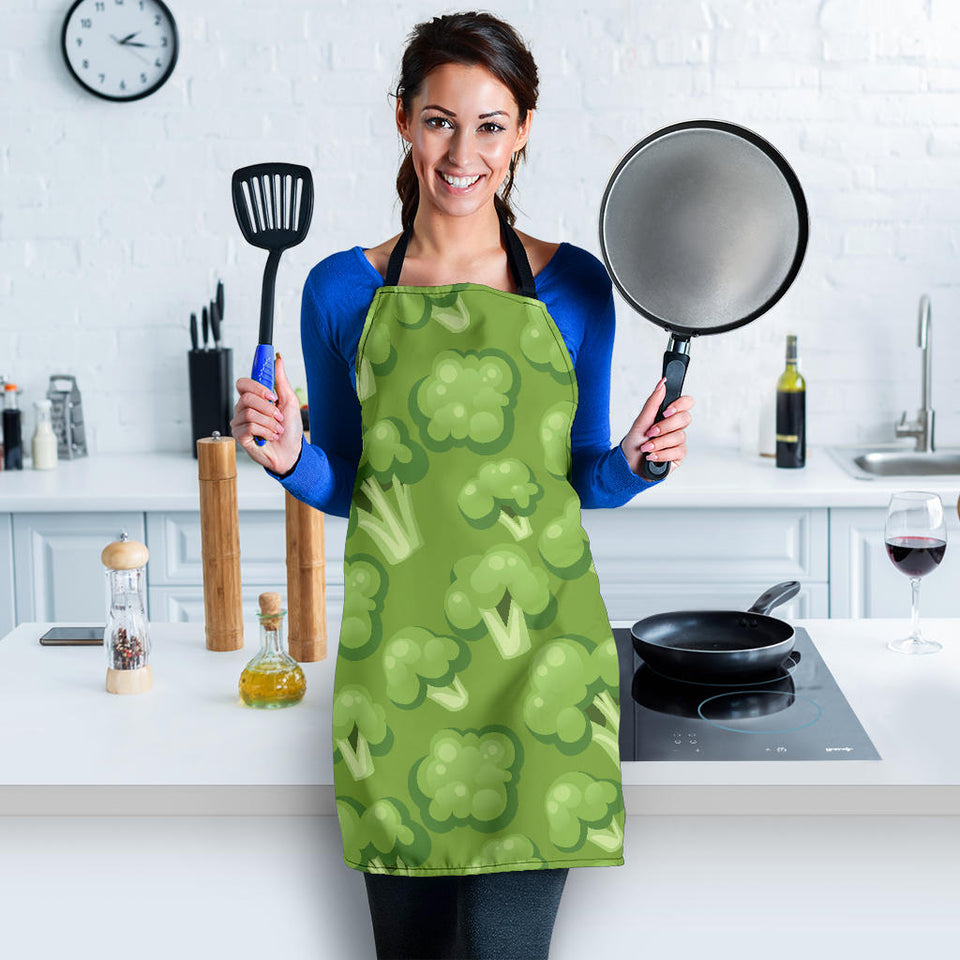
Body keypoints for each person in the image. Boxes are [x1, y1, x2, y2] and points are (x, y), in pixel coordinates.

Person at [232, 12, 693, 959]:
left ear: (523, 130)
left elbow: (583, 479)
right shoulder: (338, 289)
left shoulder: (575, 285)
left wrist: (638, 464)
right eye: (441, 121)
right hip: (396, 670)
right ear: (403, 120)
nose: (463, 151)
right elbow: (357, 485)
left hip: (541, 667)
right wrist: (288, 459)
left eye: (491, 124)